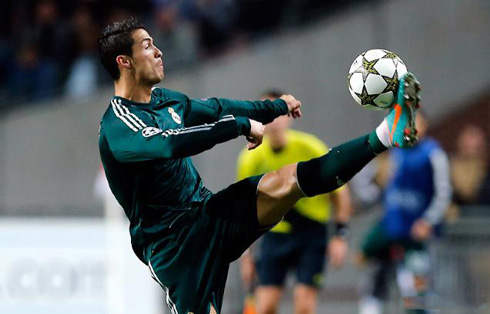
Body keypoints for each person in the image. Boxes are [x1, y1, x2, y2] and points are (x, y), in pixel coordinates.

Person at [97, 17, 421, 314]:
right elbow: (169, 143)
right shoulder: (118, 126)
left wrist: (273, 108)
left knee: (288, 180)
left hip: (209, 212)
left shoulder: (165, 100)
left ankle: (385, 133)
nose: (158, 51)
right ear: (124, 62)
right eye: (147, 46)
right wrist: (238, 125)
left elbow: (215, 107)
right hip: (174, 247)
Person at [237, 89, 353, 314]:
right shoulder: (250, 158)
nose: (273, 121)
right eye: (266, 114)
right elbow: (244, 209)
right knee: (265, 306)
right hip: (274, 235)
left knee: (304, 304)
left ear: (290, 116)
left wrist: (341, 235)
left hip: (312, 234)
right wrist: (246, 257)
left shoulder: (310, 148)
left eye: (278, 113)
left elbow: (340, 193)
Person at [353, 113, 452, 314]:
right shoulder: (394, 150)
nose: (413, 126)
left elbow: (443, 193)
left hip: (415, 232)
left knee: (414, 288)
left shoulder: (433, 153)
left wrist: (427, 221)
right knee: (372, 276)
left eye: (418, 121)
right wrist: (372, 194)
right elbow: (365, 178)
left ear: (426, 124)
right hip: (390, 226)